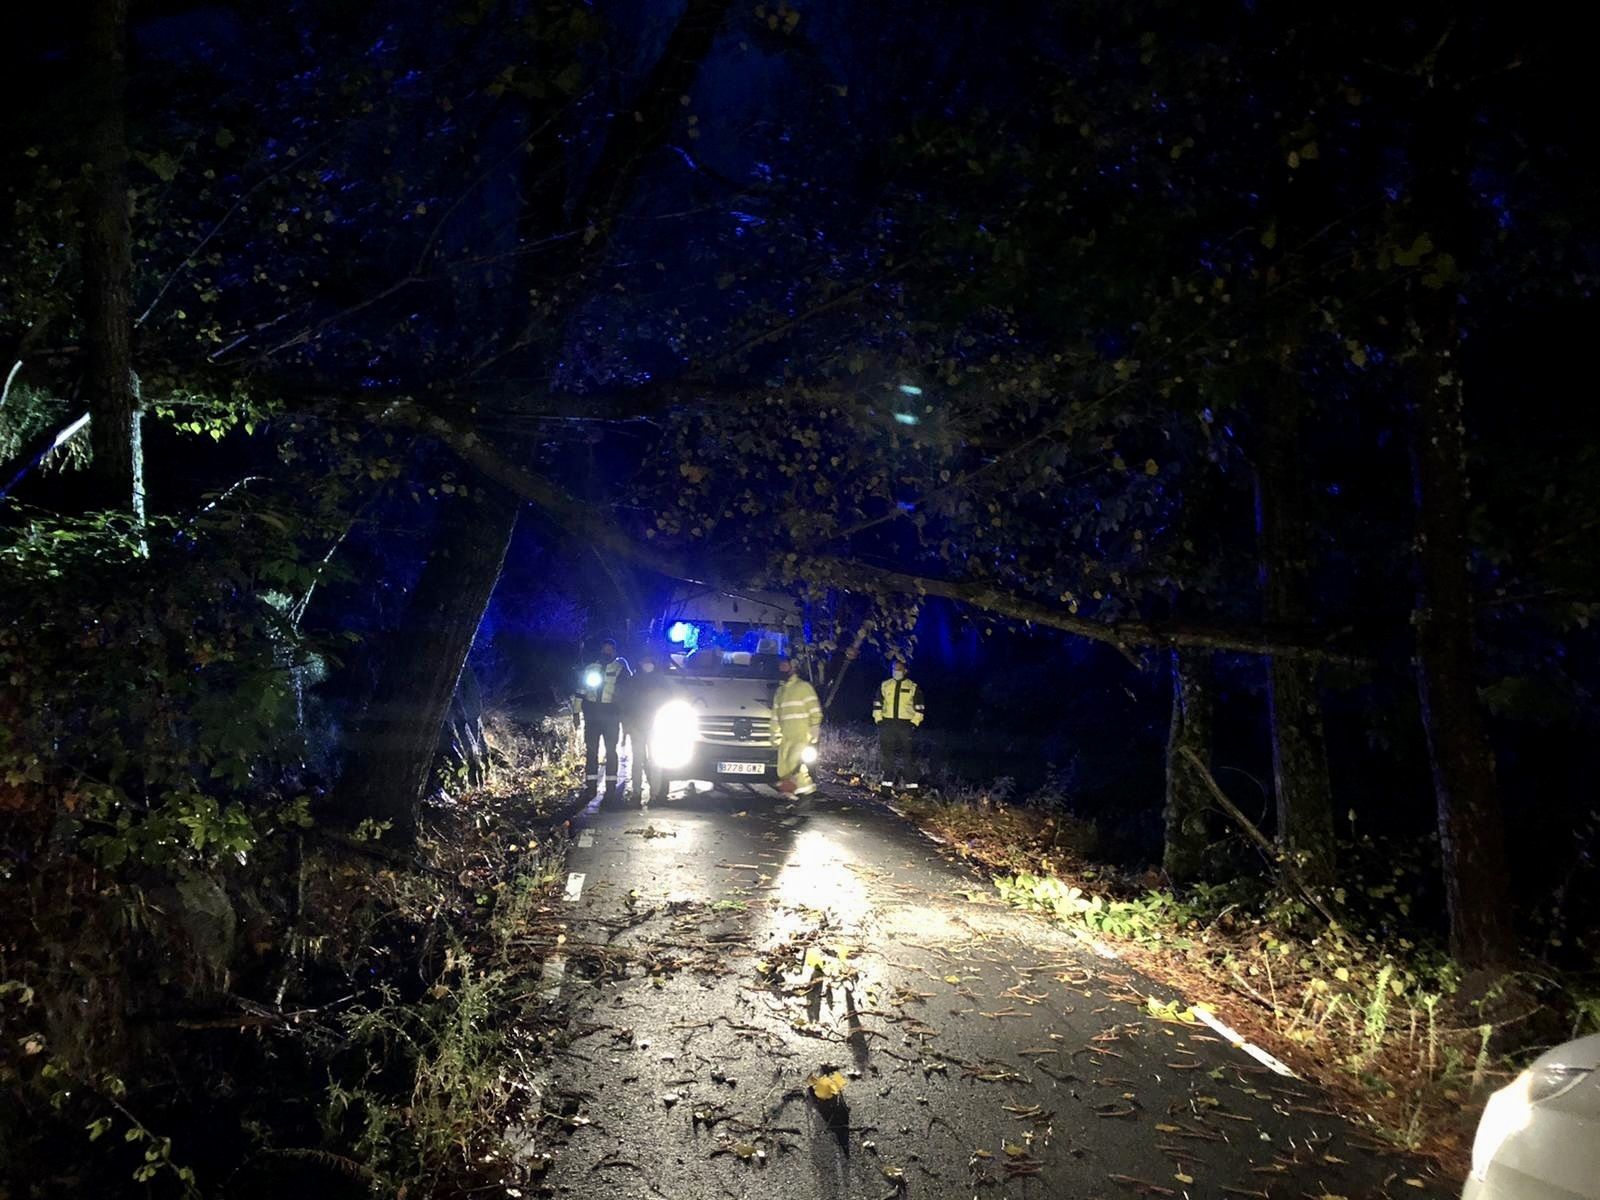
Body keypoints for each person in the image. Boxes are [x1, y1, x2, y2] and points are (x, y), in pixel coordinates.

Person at [618, 648, 673, 802]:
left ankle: (655, 793)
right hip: (638, 727)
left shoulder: (660, 681)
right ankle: (637, 793)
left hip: (654, 727)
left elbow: (668, 703)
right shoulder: (635, 681)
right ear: (640, 663)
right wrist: (627, 725)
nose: (647, 665)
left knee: (654, 762)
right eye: (645, 662)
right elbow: (627, 705)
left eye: (649, 662)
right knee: (638, 761)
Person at [575, 637, 630, 788]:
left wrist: (625, 716)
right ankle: (591, 784)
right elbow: (580, 691)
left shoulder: (620, 669)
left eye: (610, 649)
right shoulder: (590, 668)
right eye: (605, 648)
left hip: (611, 714)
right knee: (591, 750)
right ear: (601, 649)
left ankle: (611, 785)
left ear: (615, 651)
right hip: (592, 714)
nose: (607, 651)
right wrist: (576, 713)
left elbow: (626, 694)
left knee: (611, 750)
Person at [873, 658, 925, 794]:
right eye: (894, 669)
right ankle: (886, 789)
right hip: (887, 724)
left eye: (899, 669)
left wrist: (914, 724)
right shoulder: (885, 685)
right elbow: (877, 704)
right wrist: (879, 721)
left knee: (908, 757)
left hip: (905, 726)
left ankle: (912, 790)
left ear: (905, 670)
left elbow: (920, 708)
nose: (896, 672)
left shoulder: (913, 687)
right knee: (887, 757)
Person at [773, 653, 822, 795]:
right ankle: (795, 792)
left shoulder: (803, 687)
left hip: (802, 736)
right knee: (784, 770)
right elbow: (775, 717)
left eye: (785, 665)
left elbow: (815, 710)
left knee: (796, 766)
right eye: (780, 665)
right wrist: (774, 735)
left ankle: (802, 793)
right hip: (786, 737)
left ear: (793, 667)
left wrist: (814, 728)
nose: (781, 668)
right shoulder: (780, 691)